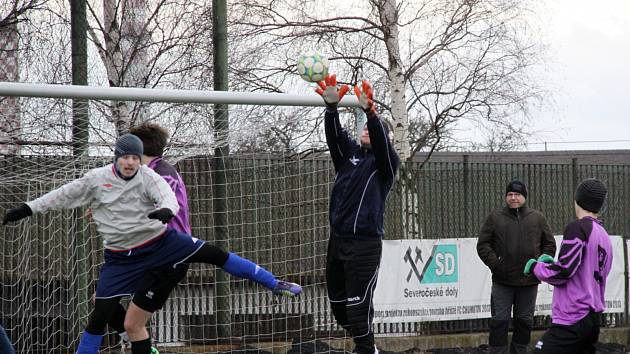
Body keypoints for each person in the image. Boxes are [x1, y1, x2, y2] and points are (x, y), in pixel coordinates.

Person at [2, 133, 301, 354]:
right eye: (126, 156)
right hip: (121, 259)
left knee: (215, 254)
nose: (131, 162)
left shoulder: (151, 175)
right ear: (116, 157)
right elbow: (64, 194)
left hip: (162, 244)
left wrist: (166, 211)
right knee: (99, 315)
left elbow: (167, 196)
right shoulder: (96, 179)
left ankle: (274, 283)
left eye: (136, 156)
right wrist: (28, 208)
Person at [316, 74, 399, 354]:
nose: (365, 130)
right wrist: (331, 110)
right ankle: (368, 343)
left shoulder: (385, 164)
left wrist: (371, 114)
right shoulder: (349, 155)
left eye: (372, 130)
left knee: (357, 307)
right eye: (363, 127)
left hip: (364, 246)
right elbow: (334, 137)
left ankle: (365, 348)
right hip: (337, 242)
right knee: (340, 310)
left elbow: (380, 140)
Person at [95, 122, 193, 350]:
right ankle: (141, 344)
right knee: (102, 300)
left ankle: (142, 343)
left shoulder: (162, 175)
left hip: (167, 259)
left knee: (133, 324)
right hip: (150, 254)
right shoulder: (152, 173)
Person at [525, 178, 611, 354]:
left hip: (573, 316)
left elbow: (564, 271)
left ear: (577, 200)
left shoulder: (577, 228)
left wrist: (536, 268)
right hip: (592, 316)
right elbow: (585, 270)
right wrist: (555, 264)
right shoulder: (603, 235)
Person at [476, 180, 556, 354]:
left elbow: (549, 245)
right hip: (502, 281)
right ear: (506, 197)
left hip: (528, 283)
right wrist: (495, 264)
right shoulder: (495, 217)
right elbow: (483, 244)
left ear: (524, 197)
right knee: (499, 321)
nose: (513, 198)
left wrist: (538, 266)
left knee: (524, 321)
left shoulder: (537, 218)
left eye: (517, 194)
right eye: (510, 194)